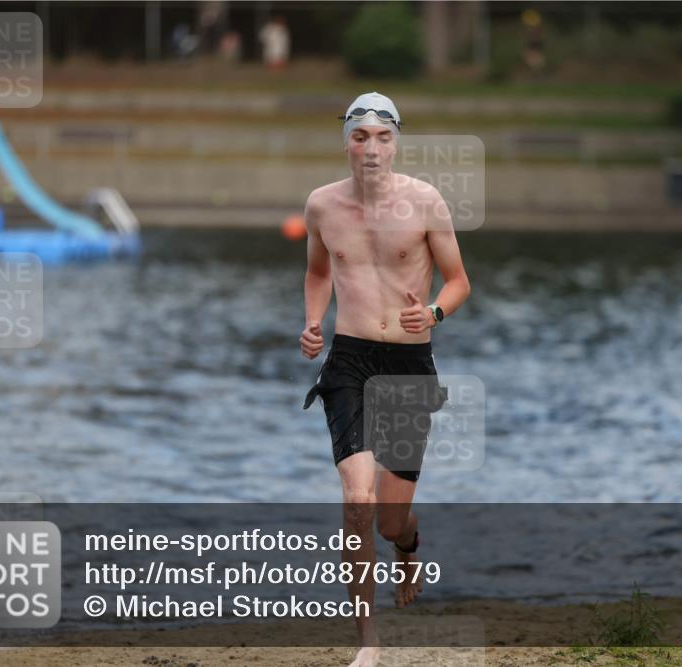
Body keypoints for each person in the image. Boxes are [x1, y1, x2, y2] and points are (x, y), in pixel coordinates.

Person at [300, 92, 471, 667]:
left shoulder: (425, 202)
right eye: (359, 137)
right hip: (348, 360)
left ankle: (407, 547)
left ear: (396, 142)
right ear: (345, 141)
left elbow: (459, 282)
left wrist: (437, 313)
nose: (371, 149)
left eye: (382, 137)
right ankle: (368, 644)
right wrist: (311, 323)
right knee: (357, 500)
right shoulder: (322, 206)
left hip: (406, 365)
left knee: (392, 519)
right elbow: (319, 270)